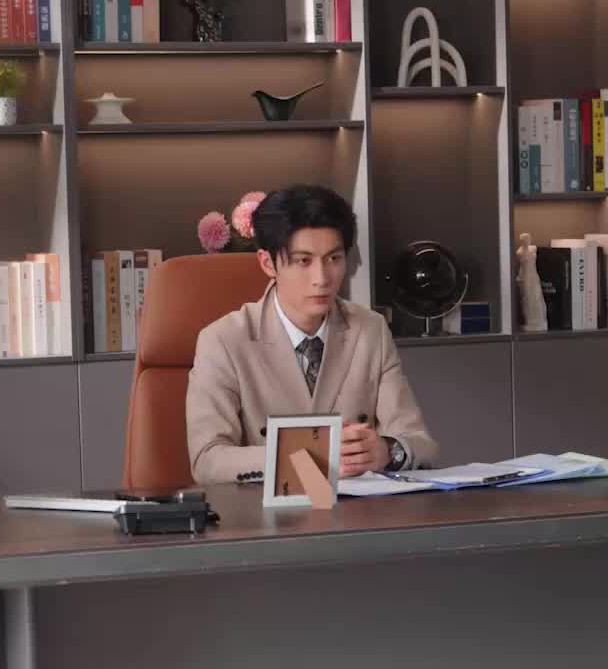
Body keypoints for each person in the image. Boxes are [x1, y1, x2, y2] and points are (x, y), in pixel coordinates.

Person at [187, 183, 437, 485]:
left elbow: (420, 442)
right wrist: (309, 456)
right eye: (303, 261)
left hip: (358, 509)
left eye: (334, 259)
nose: (322, 278)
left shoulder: (370, 329)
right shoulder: (223, 341)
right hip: (263, 509)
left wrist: (387, 450)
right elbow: (208, 460)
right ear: (268, 263)